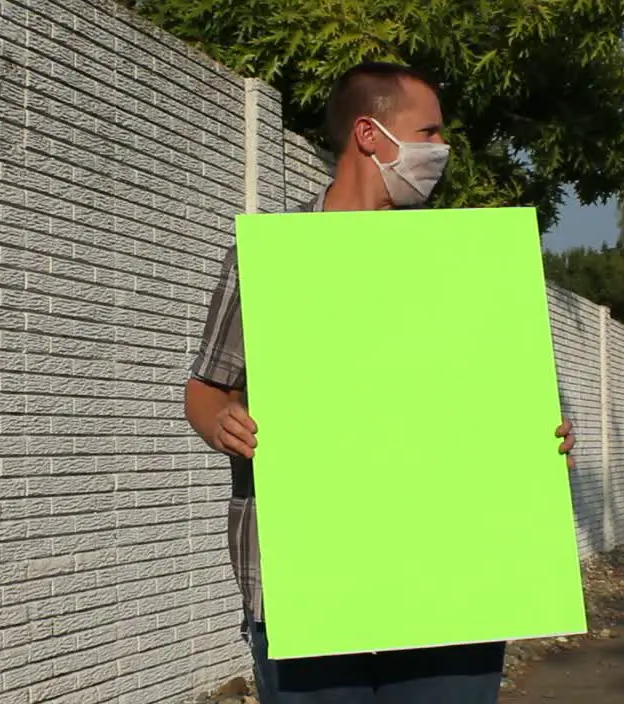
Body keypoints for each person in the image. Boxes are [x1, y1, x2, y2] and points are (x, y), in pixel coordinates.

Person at [183, 61, 576, 704]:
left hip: (451, 588)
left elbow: (499, 410)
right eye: (429, 133)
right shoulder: (274, 261)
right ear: (370, 134)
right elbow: (205, 389)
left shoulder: (461, 268)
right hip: (310, 584)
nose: (441, 151)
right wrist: (221, 422)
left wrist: (543, 438)